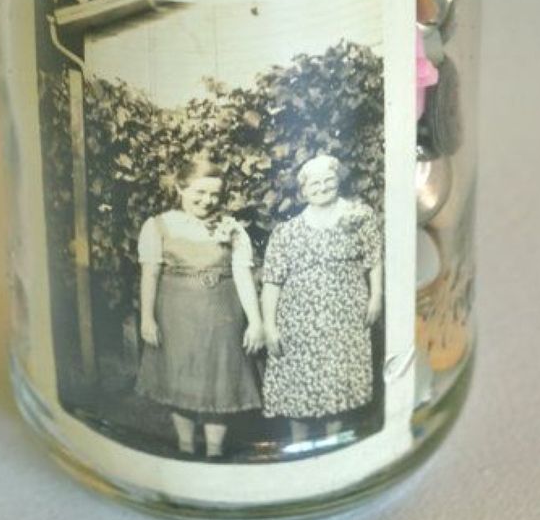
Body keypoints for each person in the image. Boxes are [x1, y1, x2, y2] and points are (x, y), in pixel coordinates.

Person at [136, 153, 264, 458]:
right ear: (181, 188)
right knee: (181, 377)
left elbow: (243, 277)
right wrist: (147, 318)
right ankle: (185, 447)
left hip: (222, 316)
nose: (207, 201)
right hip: (176, 316)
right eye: (199, 193)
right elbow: (150, 273)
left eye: (214, 195)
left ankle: (215, 452)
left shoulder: (232, 230)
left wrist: (256, 322)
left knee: (218, 380)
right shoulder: (158, 226)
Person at [261, 153, 383, 444]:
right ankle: (298, 447)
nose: (322, 187)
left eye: (328, 180)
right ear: (303, 191)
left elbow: (374, 258)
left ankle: (332, 447)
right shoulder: (287, 232)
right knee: (297, 390)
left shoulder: (359, 215)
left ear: (338, 181)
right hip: (299, 323)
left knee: (336, 385)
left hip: (345, 318)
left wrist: (376, 295)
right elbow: (272, 281)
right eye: (314, 183)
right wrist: (270, 325)